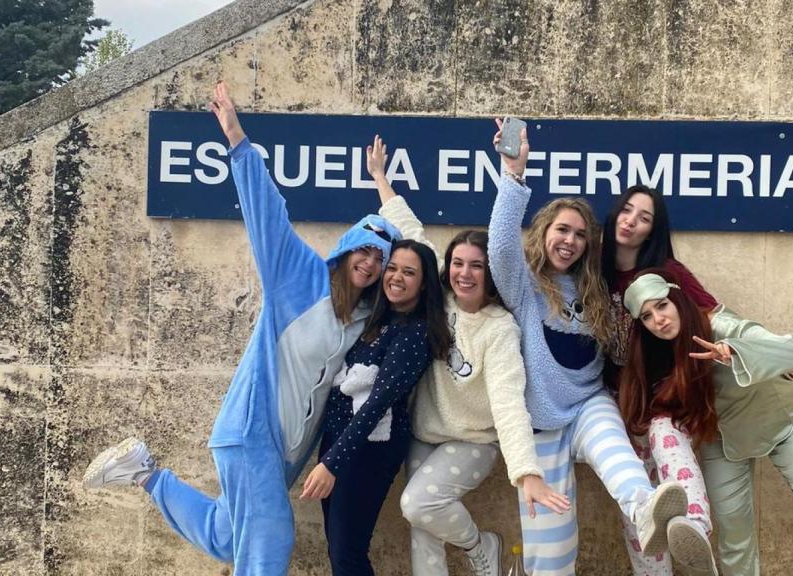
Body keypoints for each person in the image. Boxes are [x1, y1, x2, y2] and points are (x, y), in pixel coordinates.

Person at [82, 81, 401, 575]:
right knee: (269, 544)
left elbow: (418, 255)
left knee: (229, 537)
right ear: (347, 248)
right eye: (365, 248)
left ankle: (144, 474)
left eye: (381, 257)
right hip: (252, 433)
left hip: (283, 454)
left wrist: (386, 189)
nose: (371, 261)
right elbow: (268, 217)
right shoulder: (298, 275)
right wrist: (237, 142)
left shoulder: (368, 318)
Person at [487, 120, 690, 576]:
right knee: (551, 556)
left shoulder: (593, 286)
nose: (570, 241)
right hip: (540, 425)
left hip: (587, 405)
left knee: (619, 457)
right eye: (562, 230)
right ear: (543, 232)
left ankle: (646, 512)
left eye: (580, 235)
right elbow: (500, 245)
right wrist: (513, 175)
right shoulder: (524, 285)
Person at [364, 135, 569, 576]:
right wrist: (381, 178)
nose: (464, 272)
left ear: (490, 273)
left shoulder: (499, 329)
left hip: (474, 441)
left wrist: (526, 472)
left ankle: (482, 549)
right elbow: (412, 230)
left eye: (476, 265)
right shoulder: (438, 298)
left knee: (417, 503)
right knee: (423, 529)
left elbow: (508, 401)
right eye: (458, 263)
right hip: (425, 431)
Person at [622, 269, 793, 576]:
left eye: (662, 305)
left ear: (677, 299)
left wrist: (739, 352)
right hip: (724, 442)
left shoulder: (721, 325)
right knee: (734, 542)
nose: (659, 319)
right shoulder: (659, 355)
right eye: (647, 316)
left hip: (783, 422)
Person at [302, 238, 450, 576]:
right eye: (393, 268)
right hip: (340, 442)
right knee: (339, 549)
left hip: (368, 451)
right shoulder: (376, 318)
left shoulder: (415, 334)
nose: (396, 277)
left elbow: (377, 403)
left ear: (424, 282)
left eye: (409, 272)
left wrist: (331, 465)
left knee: (347, 553)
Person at [600, 185, 719, 575]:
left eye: (645, 217)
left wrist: (764, 354)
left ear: (654, 230)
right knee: (637, 504)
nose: (631, 221)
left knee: (667, 442)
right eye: (627, 210)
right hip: (616, 402)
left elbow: (716, 317)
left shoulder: (668, 275)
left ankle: (695, 527)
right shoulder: (593, 272)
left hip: (664, 398)